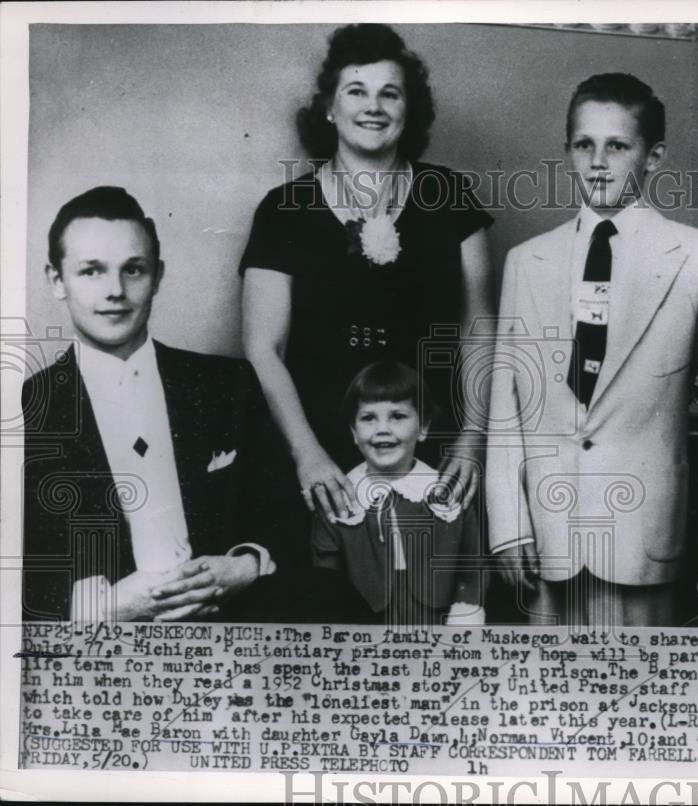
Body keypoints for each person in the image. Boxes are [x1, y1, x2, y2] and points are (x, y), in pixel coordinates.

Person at [486, 73, 698, 627]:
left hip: (640, 539)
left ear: (654, 156)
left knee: (636, 695)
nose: (598, 162)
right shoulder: (527, 261)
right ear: (567, 151)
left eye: (617, 146)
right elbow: (506, 406)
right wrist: (508, 523)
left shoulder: (697, 255)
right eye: (583, 145)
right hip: (547, 537)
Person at [240, 24, 494, 542]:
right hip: (320, 451)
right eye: (356, 91)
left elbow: (479, 330)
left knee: (432, 599)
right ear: (330, 109)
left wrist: (472, 440)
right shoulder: (284, 211)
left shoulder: (449, 196)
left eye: (390, 93)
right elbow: (263, 347)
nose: (373, 106)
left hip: (431, 448)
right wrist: (307, 454)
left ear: (409, 110)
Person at [22, 187, 294, 622]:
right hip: (96, 655)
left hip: (231, 632)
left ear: (158, 275)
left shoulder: (228, 383)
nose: (115, 290)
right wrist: (108, 606)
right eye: (91, 271)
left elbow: (287, 517)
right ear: (57, 280)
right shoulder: (23, 411)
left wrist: (244, 565)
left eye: (133, 269)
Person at [311, 361, 484, 625]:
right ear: (354, 433)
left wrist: (465, 618)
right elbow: (325, 582)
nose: (383, 428)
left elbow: (472, 571)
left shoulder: (448, 496)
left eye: (398, 416)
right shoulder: (339, 500)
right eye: (369, 418)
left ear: (423, 426)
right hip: (362, 636)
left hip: (439, 632)